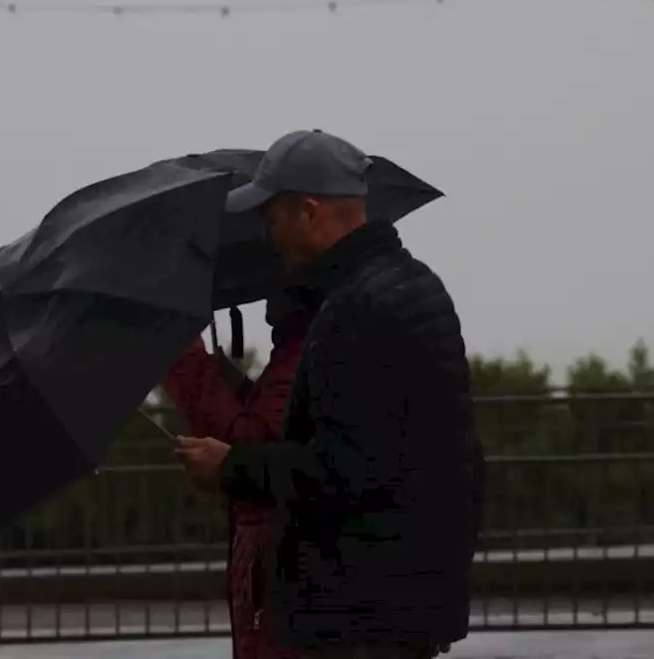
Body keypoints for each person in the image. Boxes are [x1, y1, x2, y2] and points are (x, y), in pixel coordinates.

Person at [175, 129, 485, 659]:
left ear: (309, 212)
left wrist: (232, 468)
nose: (268, 237)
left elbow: (343, 471)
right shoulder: (411, 285)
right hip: (400, 599)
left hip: (356, 612)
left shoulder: (353, 310)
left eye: (272, 219)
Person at [162, 294, 314, 659]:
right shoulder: (302, 339)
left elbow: (252, 443)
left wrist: (185, 356)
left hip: (284, 572)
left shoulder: (309, 336)